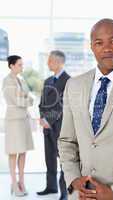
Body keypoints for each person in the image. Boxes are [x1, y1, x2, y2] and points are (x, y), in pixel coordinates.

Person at [58, 18, 113, 200]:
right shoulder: (74, 85)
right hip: (83, 194)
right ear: (91, 46)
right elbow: (67, 140)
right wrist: (73, 179)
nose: (107, 48)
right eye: (99, 43)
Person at [37, 50, 70, 200]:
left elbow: (62, 104)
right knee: (49, 158)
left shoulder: (69, 81)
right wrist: (42, 118)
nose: (48, 63)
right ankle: (51, 187)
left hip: (61, 127)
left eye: (50, 60)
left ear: (59, 62)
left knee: (64, 160)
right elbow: (42, 103)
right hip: (47, 128)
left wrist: (48, 120)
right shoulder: (47, 81)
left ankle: (64, 192)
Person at [2, 55, 34, 197]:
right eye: (19, 65)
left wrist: (25, 98)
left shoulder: (21, 80)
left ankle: (22, 182)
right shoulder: (7, 81)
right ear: (11, 66)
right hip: (14, 121)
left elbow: (30, 97)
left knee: (23, 151)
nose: (22, 67)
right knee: (13, 152)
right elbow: (16, 101)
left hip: (24, 119)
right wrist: (25, 99)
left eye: (22, 64)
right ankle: (14, 183)